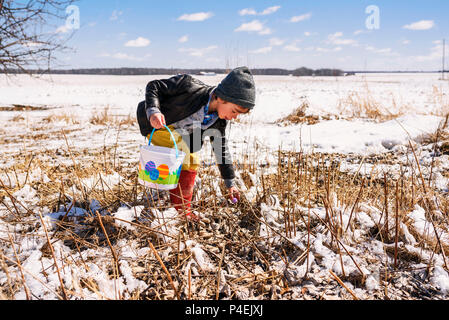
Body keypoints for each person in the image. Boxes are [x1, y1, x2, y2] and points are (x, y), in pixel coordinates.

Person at [137, 67, 256, 220]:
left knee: (187, 157)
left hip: (179, 134)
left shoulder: (218, 120)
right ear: (222, 98)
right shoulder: (189, 85)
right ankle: (181, 211)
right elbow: (154, 86)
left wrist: (230, 183)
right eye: (234, 111)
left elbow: (221, 150)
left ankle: (178, 205)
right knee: (190, 158)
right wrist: (153, 111)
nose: (234, 117)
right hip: (156, 124)